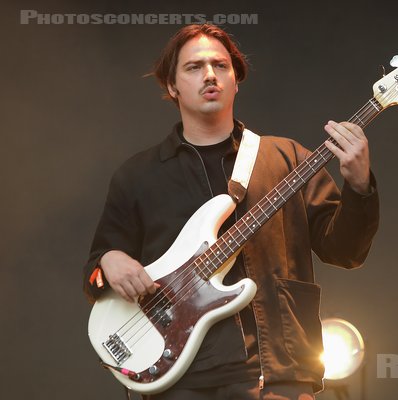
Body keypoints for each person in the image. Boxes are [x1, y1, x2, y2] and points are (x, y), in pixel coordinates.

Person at [83, 24, 379, 400]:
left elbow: (346, 252)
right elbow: (94, 271)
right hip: (178, 380)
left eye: (221, 66)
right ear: (171, 86)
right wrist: (109, 262)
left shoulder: (287, 159)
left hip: (278, 374)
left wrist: (359, 186)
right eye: (193, 67)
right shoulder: (137, 177)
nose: (210, 74)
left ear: (236, 80)